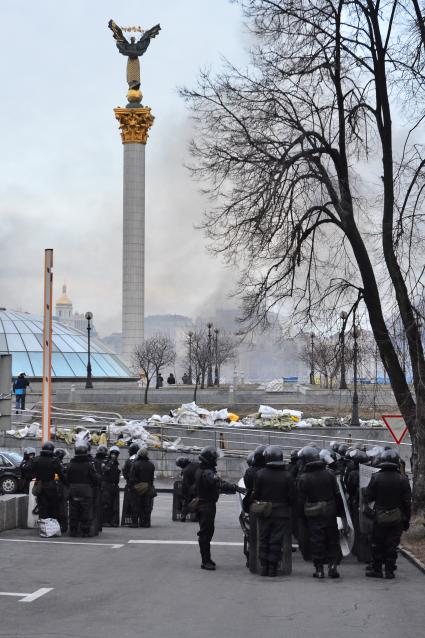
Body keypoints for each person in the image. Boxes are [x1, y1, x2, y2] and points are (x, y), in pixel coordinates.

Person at [297, 446, 343, 579]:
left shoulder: (304, 478)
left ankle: (319, 569)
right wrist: (340, 512)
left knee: (317, 540)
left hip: (313, 513)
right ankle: (333, 566)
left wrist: (301, 516)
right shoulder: (329, 474)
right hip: (330, 510)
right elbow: (337, 494)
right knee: (332, 539)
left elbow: (300, 500)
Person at [365, 448, 411, 579]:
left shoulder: (376, 477)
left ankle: (377, 570)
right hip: (397, 517)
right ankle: (390, 571)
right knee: (392, 545)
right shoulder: (403, 480)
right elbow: (407, 502)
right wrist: (406, 520)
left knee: (377, 544)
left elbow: (368, 497)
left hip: (379, 516)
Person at [252, 445, 295, 577]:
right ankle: (273, 567)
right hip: (281, 512)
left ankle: (264, 566)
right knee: (276, 540)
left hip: (264, 511)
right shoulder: (287, 475)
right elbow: (292, 496)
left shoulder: (260, 474)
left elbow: (256, 494)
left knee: (263, 538)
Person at [194, 446, 238, 571]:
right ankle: (205, 561)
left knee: (207, 532)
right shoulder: (207, 472)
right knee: (206, 533)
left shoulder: (202, 469)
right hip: (206, 505)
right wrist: (233, 487)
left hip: (205, 504)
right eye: (215, 458)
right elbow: (218, 483)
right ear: (209, 459)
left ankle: (207, 558)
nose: (216, 461)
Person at [67, 443, 100, 537]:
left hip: (73, 490)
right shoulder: (89, 465)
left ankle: (73, 530)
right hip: (86, 490)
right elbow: (95, 478)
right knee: (86, 510)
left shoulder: (70, 464)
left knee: (73, 510)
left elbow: (66, 478)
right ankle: (85, 530)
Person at [31, 442, 66, 521]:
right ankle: (51, 528)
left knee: (42, 507)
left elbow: (31, 473)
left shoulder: (36, 459)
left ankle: (43, 528)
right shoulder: (54, 460)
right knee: (53, 508)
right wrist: (66, 483)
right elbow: (61, 474)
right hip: (51, 486)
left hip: (39, 486)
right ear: (52, 450)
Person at [129, 447, 156, 528]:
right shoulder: (151, 464)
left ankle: (134, 523)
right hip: (148, 487)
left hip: (138, 487)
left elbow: (132, 478)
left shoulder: (135, 464)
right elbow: (151, 478)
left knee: (136, 505)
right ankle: (145, 522)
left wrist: (131, 487)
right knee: (147, 506)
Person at [101, 446, 121, 527]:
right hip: (107, 485)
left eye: (116, 454)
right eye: (113, 453)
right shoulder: (106, 462)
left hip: (114, 485)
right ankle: (106, 521)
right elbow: (104, 470)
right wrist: (110, 462)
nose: (114, 455)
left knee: (114, 504)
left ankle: (113, 521)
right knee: (107, 503)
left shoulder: (116, 463)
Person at [122, 443, 140, 525]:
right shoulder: (141, 460)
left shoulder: (129, 461)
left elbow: (124, 472)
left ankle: (134, 521)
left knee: (132, 503)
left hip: (130, 484)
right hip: (140, 485)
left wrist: (128, 479)